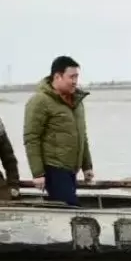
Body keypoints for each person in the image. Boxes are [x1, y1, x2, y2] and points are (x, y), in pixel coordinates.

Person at [23, 55, 94, 206]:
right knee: (71, 209)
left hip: (71, 169)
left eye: (77, 76)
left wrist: (87, 166)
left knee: (72, 208)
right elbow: (31, 138)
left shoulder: (76, 102)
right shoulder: (40, 101)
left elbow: (82, 136)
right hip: (53, 168)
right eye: (71, 77)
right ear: (57, 76)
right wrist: (38, 173)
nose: (75, 81)